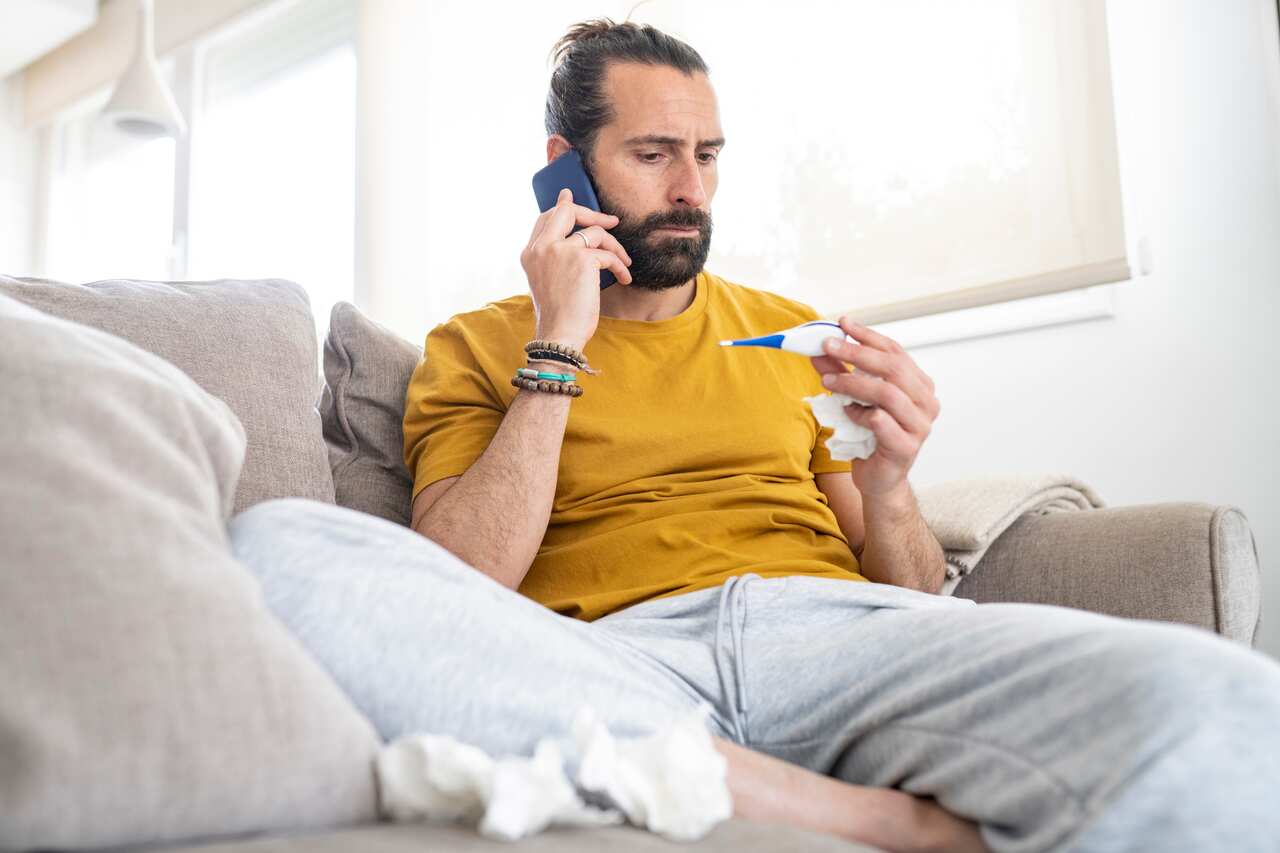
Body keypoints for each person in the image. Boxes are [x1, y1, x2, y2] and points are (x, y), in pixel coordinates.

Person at [229, 18, 1280, 853]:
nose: (691, 189)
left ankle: (717, 784)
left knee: (1229, 701)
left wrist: (898, 481)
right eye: (651, 154)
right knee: (281, 545)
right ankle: (870, 820)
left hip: (831, 636)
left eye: (706, 155)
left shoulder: (784, 332)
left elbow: (910, 598)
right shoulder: (475, 346)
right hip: (614, 664)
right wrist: (559, 343)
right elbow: (458, 585)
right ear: (565, 169)